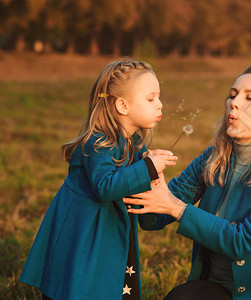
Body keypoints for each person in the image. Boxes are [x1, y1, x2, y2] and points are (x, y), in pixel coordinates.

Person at [124, 63, 251, 299]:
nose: (235, 102)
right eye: (232, 95)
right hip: (219, 290)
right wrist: (147, 176)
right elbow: (152, 220)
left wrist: (175, 206)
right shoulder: (212, 159)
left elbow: (242, 242)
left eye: (250, 98)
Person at [19, 59, 177, 300]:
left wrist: (145, 159)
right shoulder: (99, 142)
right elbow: (105, 186)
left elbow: (128, 179)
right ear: (123, 105)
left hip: (107, 232)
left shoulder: (132, 142)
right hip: (85, 233)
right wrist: (146, 168)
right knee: (81, 286)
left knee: (107, 283)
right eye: (151, 98)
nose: (160, 104)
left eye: (158, 97)